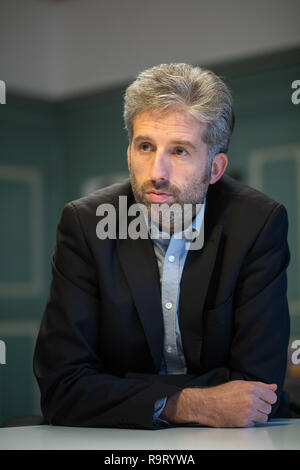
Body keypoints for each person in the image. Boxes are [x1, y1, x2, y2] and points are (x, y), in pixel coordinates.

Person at [33, 63, 290, 429]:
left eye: (180, 151)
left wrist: (120, 388)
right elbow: (62, 387)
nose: (157, 172)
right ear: (129, 152)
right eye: (145, 146)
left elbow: (256, 390)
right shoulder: (86, 224)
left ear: (215, 169)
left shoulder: (258, 224)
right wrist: (188, 403)